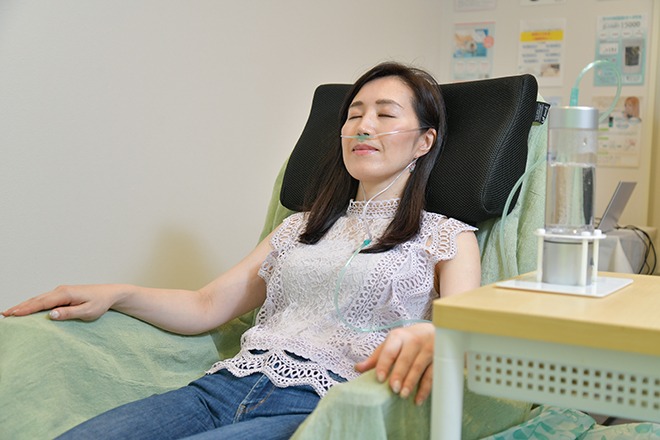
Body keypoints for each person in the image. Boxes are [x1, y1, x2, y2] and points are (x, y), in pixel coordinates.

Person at [2, 61, 481, 439]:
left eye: (384, 114)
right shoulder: (299, 228)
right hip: (221, 388)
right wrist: (118, 294)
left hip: (319, 406)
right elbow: (206, 304)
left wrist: (434, 335)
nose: (363, 126)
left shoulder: (446, 236)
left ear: (424, 141)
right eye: (354, 114)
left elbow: (464, 334)